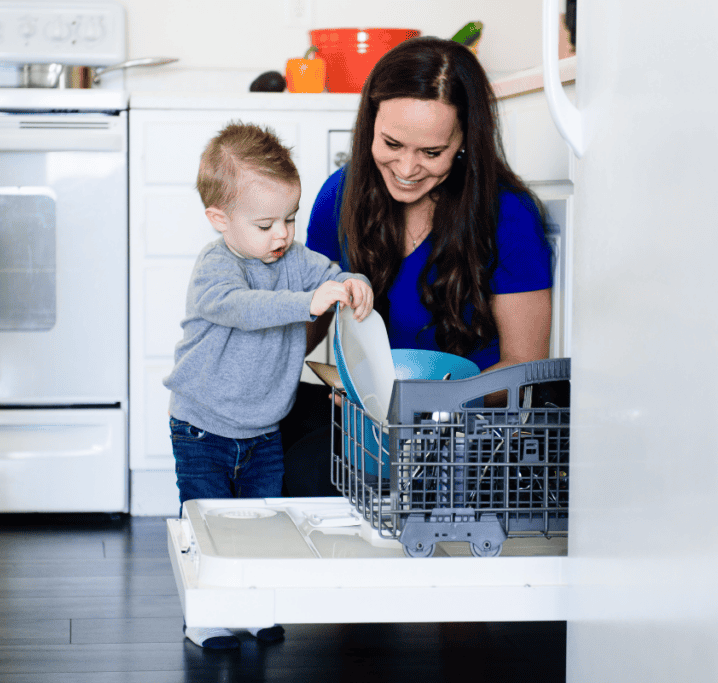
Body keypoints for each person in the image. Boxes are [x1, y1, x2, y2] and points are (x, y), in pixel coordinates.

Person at [281, 37, 554, 497]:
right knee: (263, 449)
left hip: (463, 429)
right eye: (391, 143)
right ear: (371, 121)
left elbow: (524, 363)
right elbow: (309, 320)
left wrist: (415, 406)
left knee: (311, 476)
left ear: (465, 140)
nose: (406, 168)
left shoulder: (508, 215)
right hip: (369, 415)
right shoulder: (341, 195)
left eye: (432, 153)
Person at [163, 122, 373, 649]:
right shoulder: (216, 268)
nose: (281, 235)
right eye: (264, 224)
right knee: (206, 521)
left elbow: (333, 272)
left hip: (262, 428)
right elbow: (242, 309)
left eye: (290, 219)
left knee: (260, 523)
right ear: (220, 220)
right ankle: (207, 615)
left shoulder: (291, 260)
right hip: (203, 427)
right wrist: (308, 302)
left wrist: (354, 285)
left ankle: (253, 604)